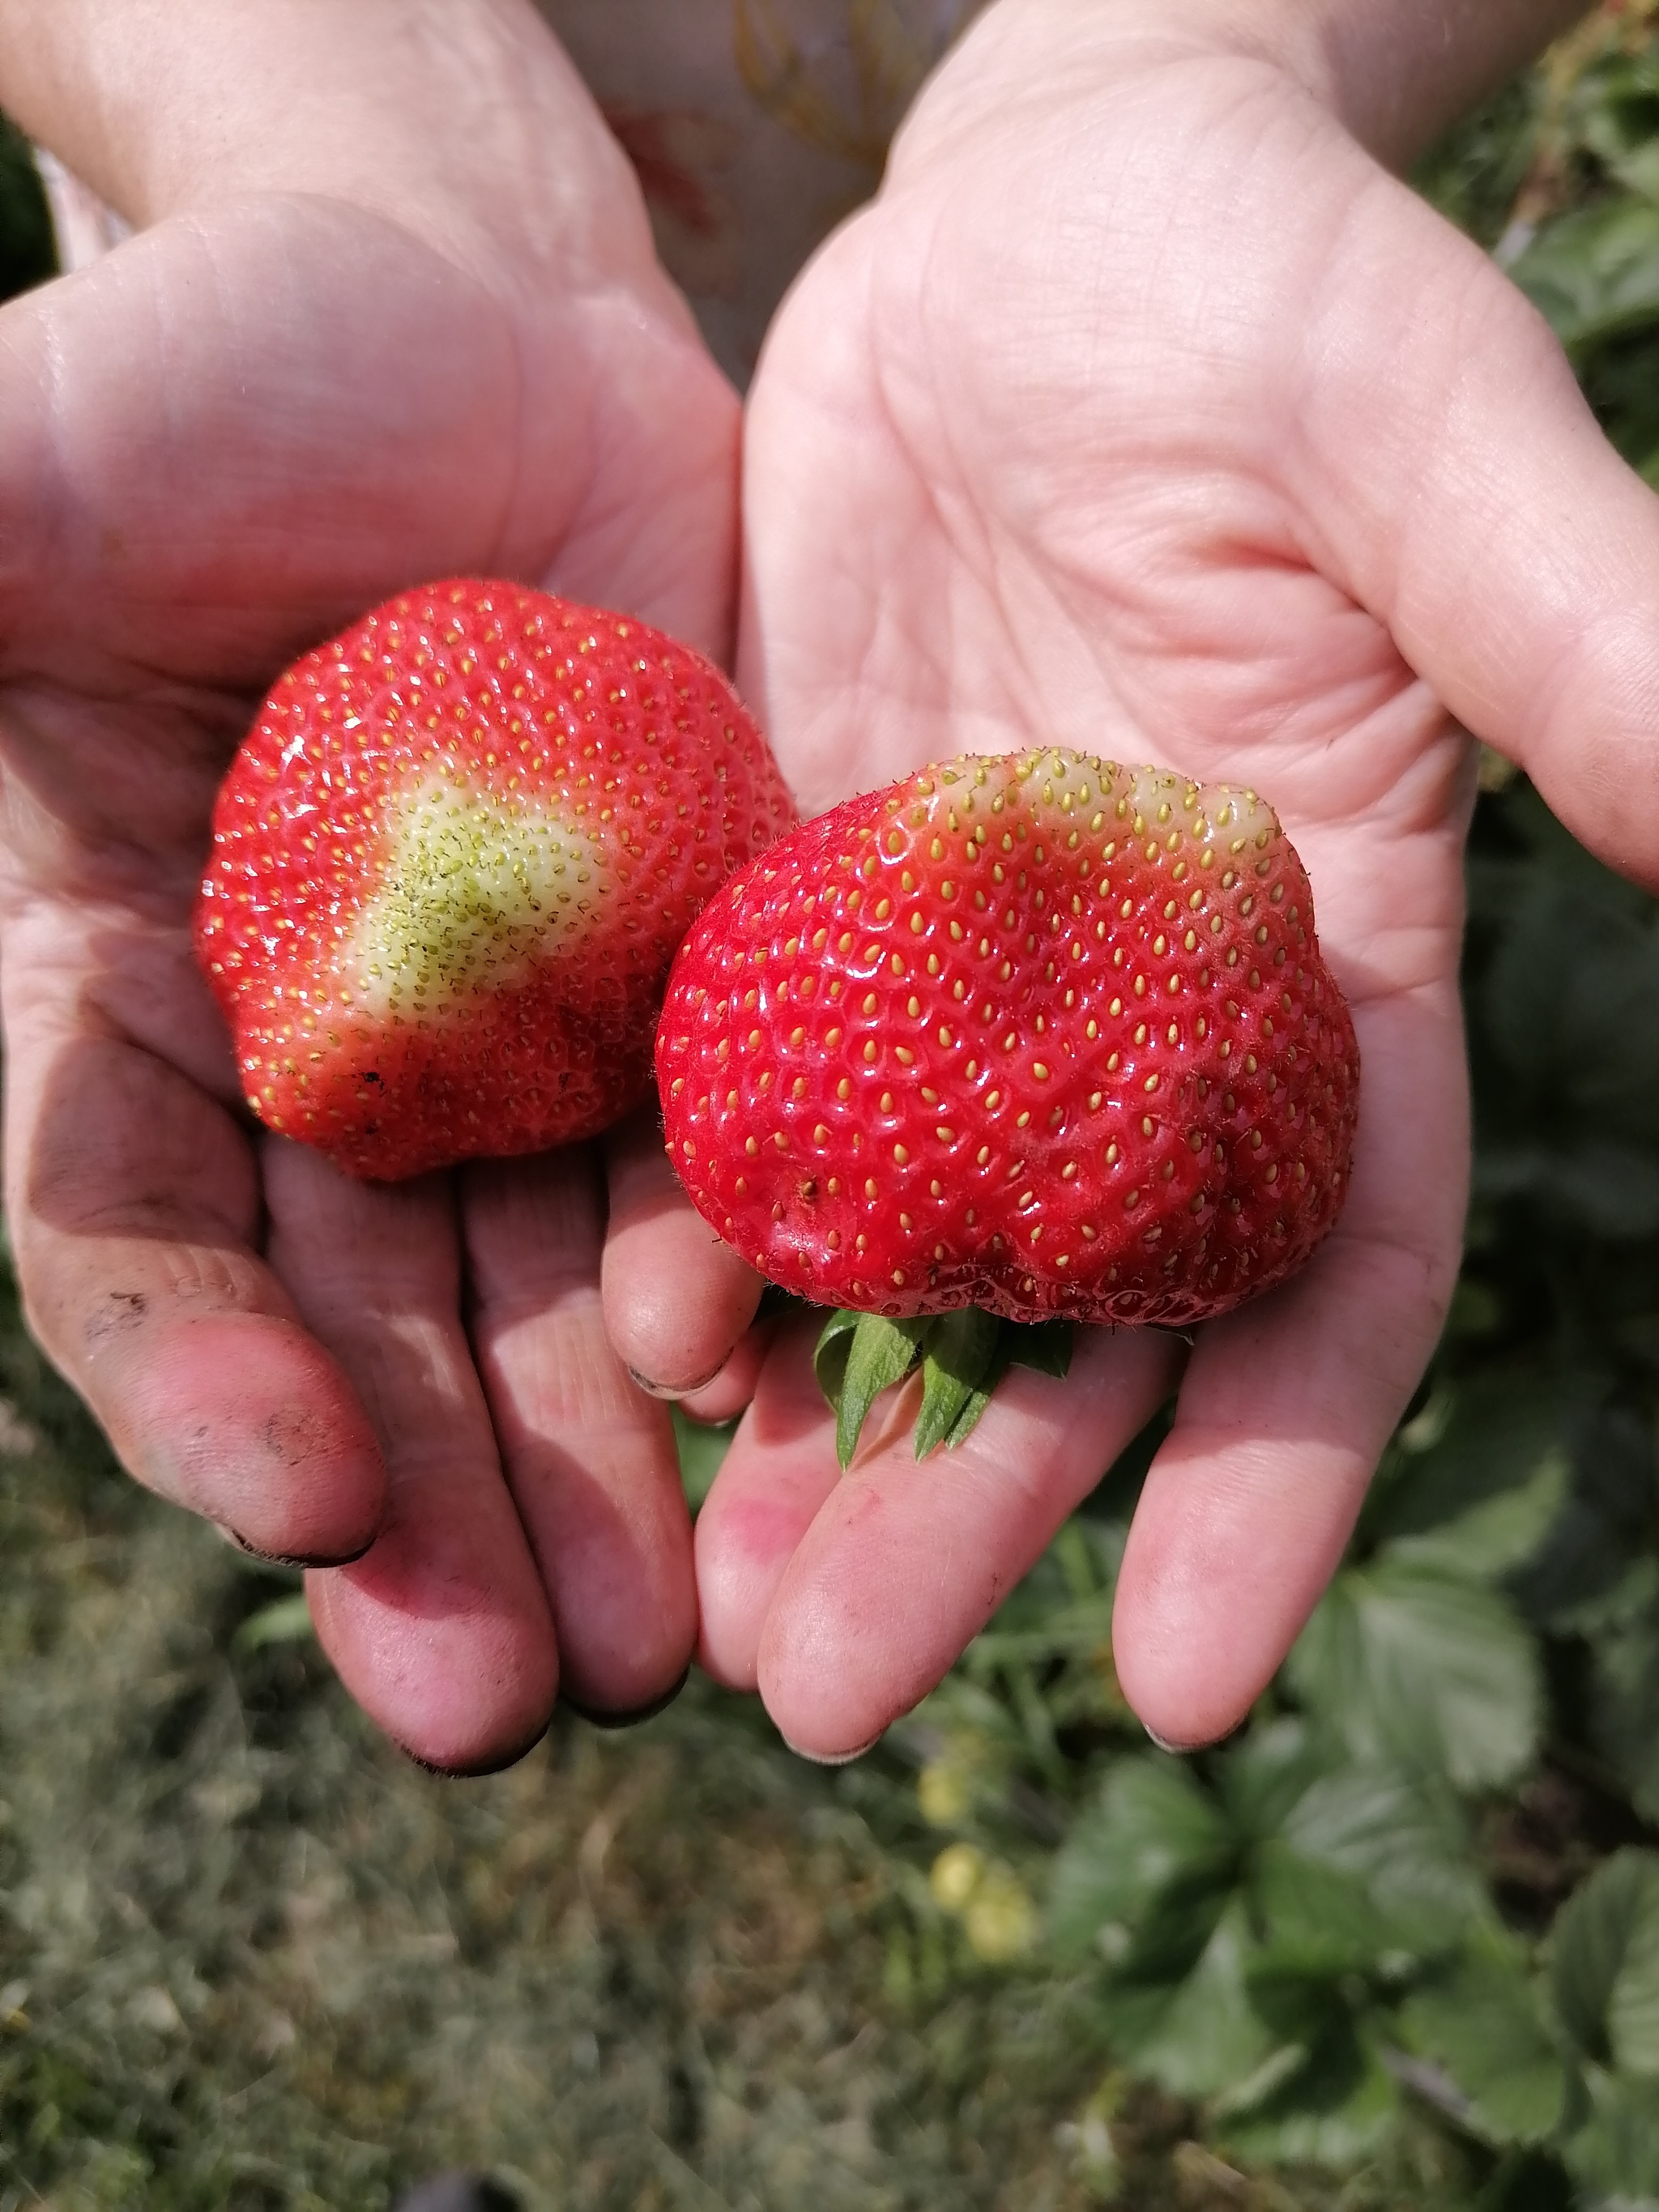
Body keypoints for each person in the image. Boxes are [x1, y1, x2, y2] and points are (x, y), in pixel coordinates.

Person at [0, 0, 1640, 1776]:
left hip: (1024, 316)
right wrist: (345, 130)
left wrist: (1204, 50)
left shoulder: (805, 995)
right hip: (367, 305)